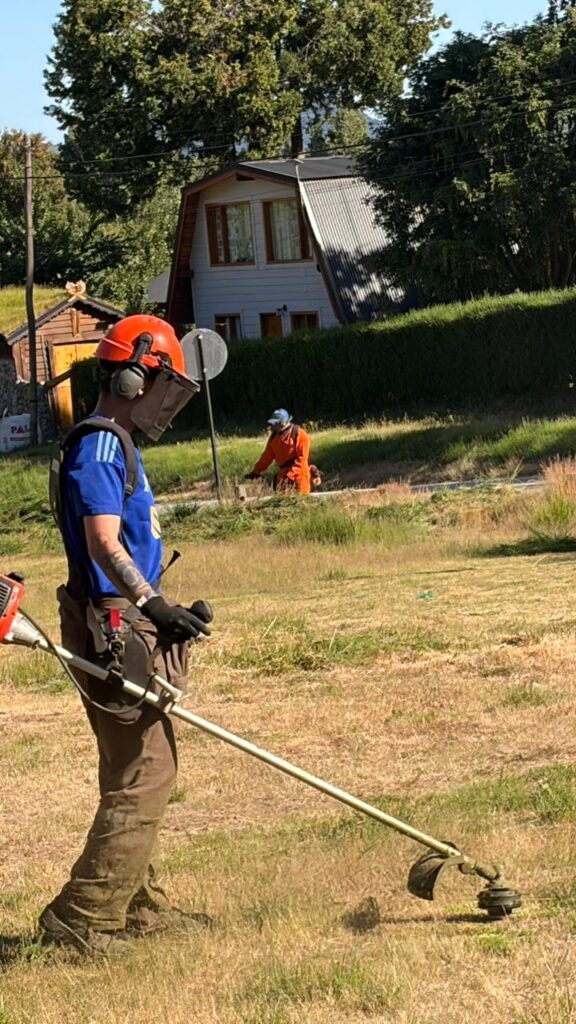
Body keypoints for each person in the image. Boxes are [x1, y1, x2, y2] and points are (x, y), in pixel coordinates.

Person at [39, 314, 213, 956]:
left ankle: (135, 903)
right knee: (148, 770)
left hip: (118, 618)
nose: (169, 400)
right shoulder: (102, 447)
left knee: (132, 769)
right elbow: (103, 543)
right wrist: (152, 602)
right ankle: (84, 916)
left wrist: (161, 608)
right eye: (166, 384)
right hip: (112, 624)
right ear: (135, 378)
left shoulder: (112, 444)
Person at [245, 409, 314, 494]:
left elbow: (302, 459)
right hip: (282, 478)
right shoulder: (274, 437)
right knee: (282, 501)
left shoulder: (299, 434)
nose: (272, 425)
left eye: (275, 423)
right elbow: (266, 457)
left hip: (299, 476)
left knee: (301, 500)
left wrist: (290, 475)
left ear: (282, 423)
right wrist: (256, 471)